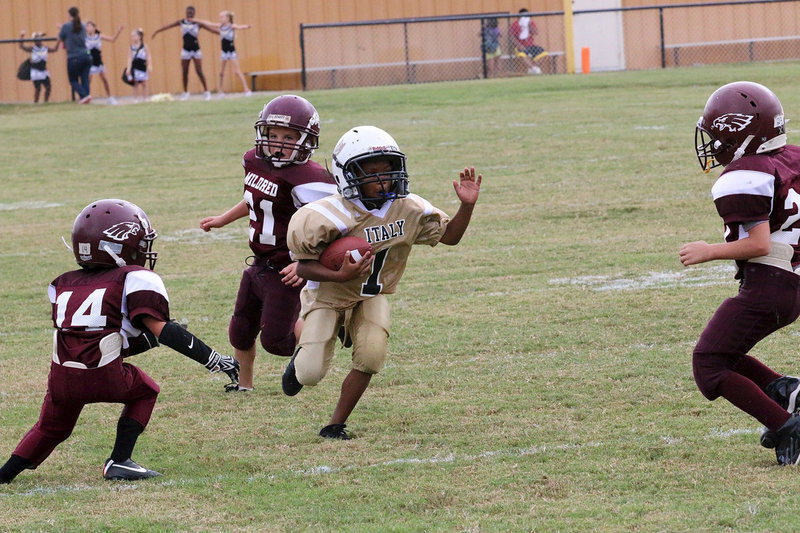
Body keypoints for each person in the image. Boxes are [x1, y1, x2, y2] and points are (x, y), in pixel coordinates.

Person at [0, 199, 239, 484]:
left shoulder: (61, 283)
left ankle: (5, 474)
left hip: (63, 374)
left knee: (51, 427)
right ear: (118, 246)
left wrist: (147, 341)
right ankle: (120, 460)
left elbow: (95, 337)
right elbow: (164, 330)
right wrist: (214, 360)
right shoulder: (135, 277)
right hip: (104, 374)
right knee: (145, 390)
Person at [283, 126, 483, 439]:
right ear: (345, 175)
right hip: (328, 295)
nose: (382, 180)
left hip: (371, 293)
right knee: (309, 374)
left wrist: (466, 206)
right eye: (371, 173)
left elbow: (450, 237)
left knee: (371, 357)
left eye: (386, 171)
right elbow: (304, 267)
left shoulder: (410, 207)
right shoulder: (325, 215)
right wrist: (339, 274)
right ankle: (303, 353)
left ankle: (335, 424)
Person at [681, 81, 800, 466]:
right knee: (724, 353)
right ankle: (785, 389)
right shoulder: (791, 158)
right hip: (792, 279)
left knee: (708, 365)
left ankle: (787, 426)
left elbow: (759, 244)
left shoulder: (746, 175)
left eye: (717, 133)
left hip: (771, 283)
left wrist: (708, 251)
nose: (713, 143)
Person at [199, 95, 337, 392]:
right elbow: (256, 198)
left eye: (289, 137)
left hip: (285, 268)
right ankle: (244, 385)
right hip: (259, 264)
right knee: (240, 330)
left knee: (276, 341)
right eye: (273, 135)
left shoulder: (312, 179)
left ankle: (315, 341)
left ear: (307, 139)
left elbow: (330, 227)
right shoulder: (253, 160)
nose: (279, 143)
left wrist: (305, 263)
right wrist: (225, 218)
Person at [152, 5, 211, 100]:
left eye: (191, 13)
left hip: (196, 50)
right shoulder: (181, 22)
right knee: (184, 71)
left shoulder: (198, 23)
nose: (189, 14)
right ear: (186, 13)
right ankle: (186, 92)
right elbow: (168, 26)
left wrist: (222, 33)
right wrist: (157, 31)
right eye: (188, 13)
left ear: (194, 14)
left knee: (199, 71)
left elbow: (211, 29)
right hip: (185, 50)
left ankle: (206, 92)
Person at [196, 10, 252, 97]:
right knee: (221, 72)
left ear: (228, 18)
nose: (220, 19)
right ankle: (220, 91)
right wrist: (198, 21)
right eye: (220, 17)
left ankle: (246, 89)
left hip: (232, 51)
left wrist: (247, 26)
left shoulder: (231, 26)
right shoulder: (220, 26)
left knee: (237, 71)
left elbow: (240, 27)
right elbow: (210, 23)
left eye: (222, 17)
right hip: (224, 52)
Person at [57, 6, 92, 104]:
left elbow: (60, 38)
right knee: (85, 78)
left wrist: (60, 29)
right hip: (86, 55)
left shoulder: (66, 26)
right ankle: (86, 97)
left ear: (69, 14)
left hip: (74, 56)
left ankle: (84, 95)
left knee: (73, 80)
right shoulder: (83, 25)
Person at [86, 21, 123, 105]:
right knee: (88, 80)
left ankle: (110, 97)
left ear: (94, 28)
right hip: (89, 60)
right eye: (87, 26)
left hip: (98, 60)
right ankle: (87, 97)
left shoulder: (99, 36)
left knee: (104, 79)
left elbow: (112, 39)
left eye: (90, 26)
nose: (88, 28)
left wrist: (119, 31)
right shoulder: (85, 38)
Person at [18, 31, 59, 103]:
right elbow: (21, 46)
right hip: (36, 71)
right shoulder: (32, 48)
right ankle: (36, 102)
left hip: (43, 70)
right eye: (37, 40)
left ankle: (46, 102)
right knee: (38, 88)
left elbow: (55, 49)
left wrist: (58, 41)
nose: (39, 41)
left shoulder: (45, 48)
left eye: (40, 39)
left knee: (48, 87)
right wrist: (22, 36)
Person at [510, 8, 548, 75]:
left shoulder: (530, 22)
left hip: (530, 45)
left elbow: (535, 32)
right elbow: (512, 38)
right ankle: (535, 70)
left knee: (544, 54)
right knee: (522, 55)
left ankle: (532, 68)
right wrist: (520, 46)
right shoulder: (515, 24)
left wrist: (529, 24)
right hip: (520, 46)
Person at [126, 29, 151, 102]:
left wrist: (149, 65)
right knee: (135, 83)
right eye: (132, 36)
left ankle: (146, 98)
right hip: (135, 65)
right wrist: (128, 68)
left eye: (134, 36)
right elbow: (129, 58)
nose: (133, 37)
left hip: (142, 65)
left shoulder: (144, 46)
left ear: (139, 37)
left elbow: (148, 56)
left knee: (144, 83)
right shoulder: (131, 47)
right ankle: (135, 98)